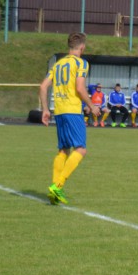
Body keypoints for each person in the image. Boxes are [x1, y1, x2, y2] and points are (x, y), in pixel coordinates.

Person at [39, 32, 100, 205]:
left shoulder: (58, 64)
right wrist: (91, 105)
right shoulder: (81, 63)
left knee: (63, 150)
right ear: (82, 47)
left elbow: (43, 87)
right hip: (73, 110)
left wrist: (45, 109)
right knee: (81, 150)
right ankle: (57, 186)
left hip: (59, 110)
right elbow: (80, 88)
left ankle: (55, 192)